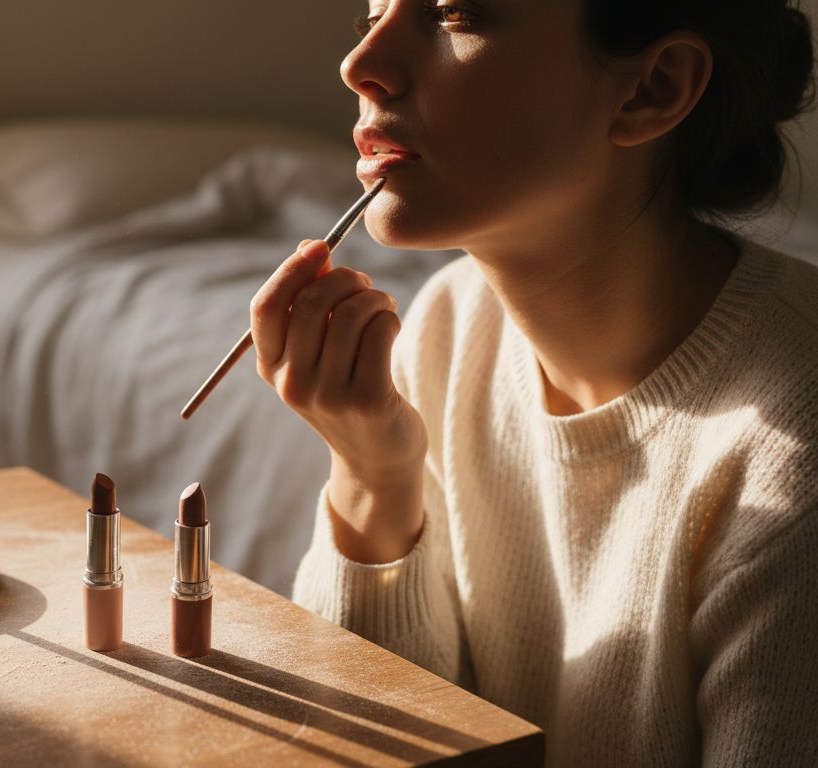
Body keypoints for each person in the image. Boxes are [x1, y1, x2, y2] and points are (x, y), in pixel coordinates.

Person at [253, 0, 818, 764]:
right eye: (370, 12)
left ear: (653, 88)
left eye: (452, 14)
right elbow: (364, 740)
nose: (361, 66)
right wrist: (372, 475)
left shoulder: (796, 447)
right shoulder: (453, 323)